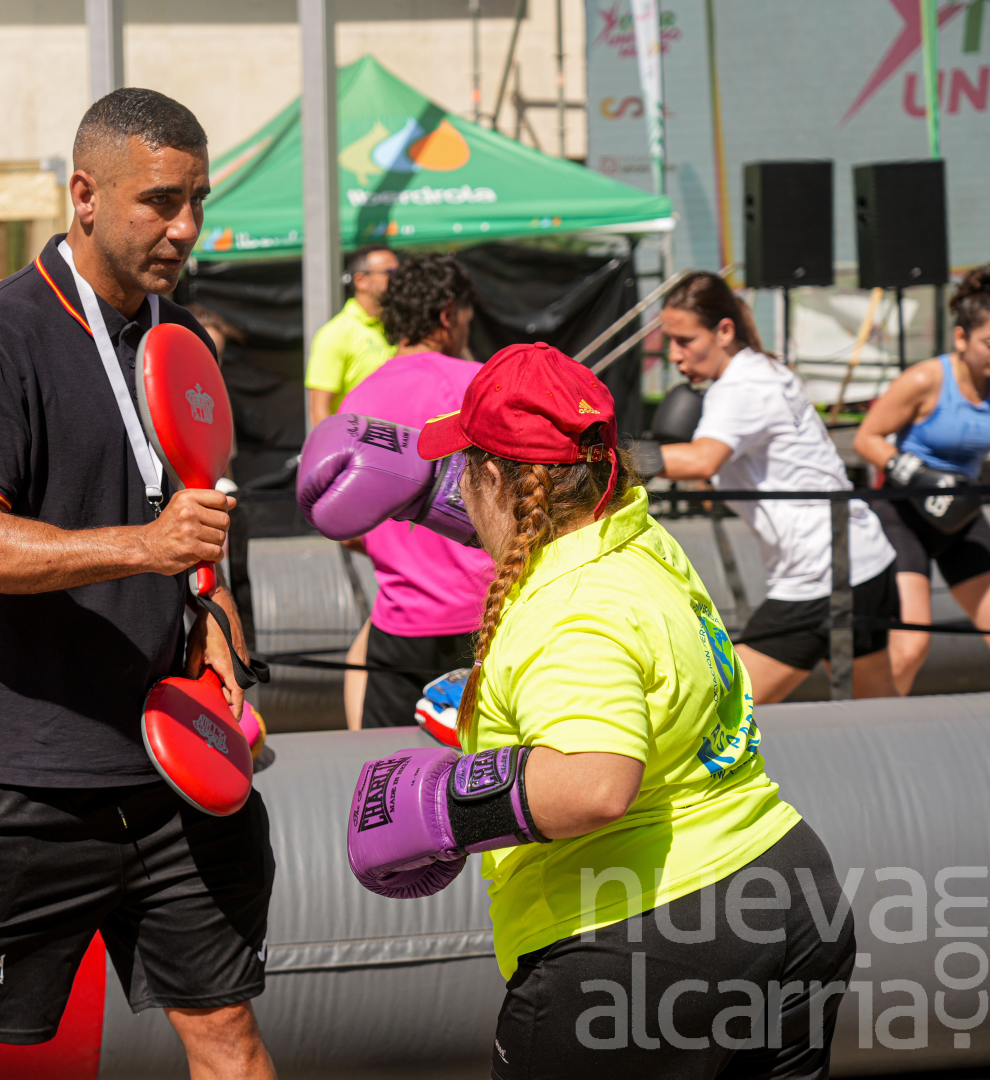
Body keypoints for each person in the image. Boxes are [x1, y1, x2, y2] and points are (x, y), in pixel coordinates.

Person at [303, 343, 855, 1077]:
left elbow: (595, 782)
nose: (456, 481)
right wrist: (424, 490)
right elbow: (546, 528)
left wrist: (441, 804)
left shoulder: (568, 609)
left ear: (491, 476)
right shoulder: (637, 535)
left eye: (463, 467)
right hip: (787, 887)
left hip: (641, 936)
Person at [0, 89, 275, 1080]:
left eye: (197, 200)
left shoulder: (183, 342)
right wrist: (143, 548)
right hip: (26, 777)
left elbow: (203, 536)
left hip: (173, 771)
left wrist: (223, 643)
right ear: (85, 195)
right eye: (160, 202)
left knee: (227, 1034)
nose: (185, 228)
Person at [645, 272, 898, 703]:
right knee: (877, 712)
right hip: (865, 559)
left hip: (822, 574)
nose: (673, 354)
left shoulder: (740, 387)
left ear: (724, 331)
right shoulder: (767, 368)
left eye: (685, 340)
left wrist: (614, 456)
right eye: (669, 340)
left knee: (724, 710)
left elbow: (703, 460)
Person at [336, 253, 493, 728]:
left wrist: (402, 552)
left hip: (401, 623)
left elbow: (347, 528)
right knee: (496, 767)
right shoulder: (482, 386)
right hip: (489, 619)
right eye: (466, 319)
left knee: (387, 763)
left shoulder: (357, 401)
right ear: (448, 314)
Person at [853, 263, 990, 694]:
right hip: (903, 515)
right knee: (910, 647)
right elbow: (867, 439)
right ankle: (877, 729)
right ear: (961, 338)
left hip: (961, 516)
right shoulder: (925, 379)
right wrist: (919, 475)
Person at [305, 244, 399, 429]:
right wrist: (335, 447)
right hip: (356, 445)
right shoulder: (336, 333)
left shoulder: (399, 327)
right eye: (390, 273)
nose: (398, 280)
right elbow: (319, 410)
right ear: (360, 280)